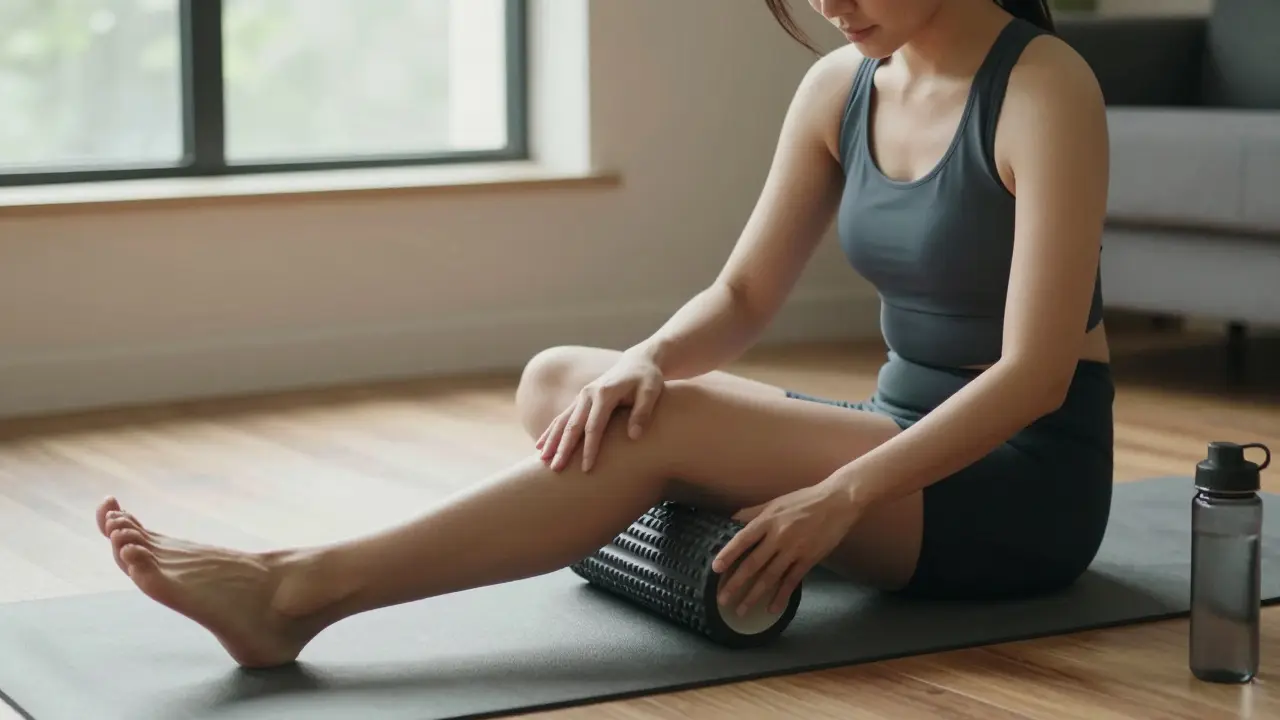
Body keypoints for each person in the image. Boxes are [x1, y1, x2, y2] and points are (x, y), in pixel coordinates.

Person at [94, 0, 1114, 669]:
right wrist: (645, 362)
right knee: (566, 384)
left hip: (1016, 486)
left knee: (655, 432)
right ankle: (678, 490)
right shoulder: (839, 88)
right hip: (897, 437)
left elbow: (1031, 376)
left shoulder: (1041, 88)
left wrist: (833, 497)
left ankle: (297, 589)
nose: (824, 3)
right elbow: (740, 295)